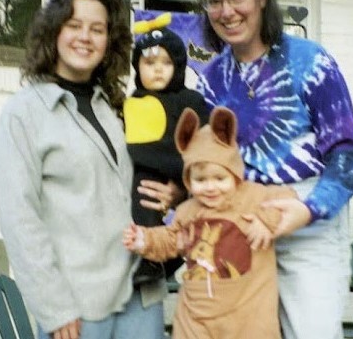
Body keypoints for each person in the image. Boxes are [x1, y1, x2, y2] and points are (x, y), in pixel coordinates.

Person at [191, 0, 353, 339]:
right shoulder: (212, 79)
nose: (227, 11)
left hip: (308, 224)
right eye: (215, 1)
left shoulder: (310, 60)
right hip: (241, 227)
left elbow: (350, 154)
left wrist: (307, 210)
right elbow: (207, 161)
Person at [0, 0, 165, 339]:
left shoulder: (119, 107)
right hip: (78, 307)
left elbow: (148, 174)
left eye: (97, 29)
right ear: (54, 31)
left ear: (109, 41)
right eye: (74, 25)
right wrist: (52, 307)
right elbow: (19, 219)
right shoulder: (25, 113)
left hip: (141, 297)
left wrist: (173, 194)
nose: (85, 37)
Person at [123, 106, 297, 339]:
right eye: (200, 180)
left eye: (219, 178)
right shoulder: (188, 211)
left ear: (234, 172)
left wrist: (266, 222)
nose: (210, 187)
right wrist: (144, 239)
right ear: (188, 180)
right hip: (197, 315)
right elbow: (171, 239)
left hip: (246, 315)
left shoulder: (252, 197)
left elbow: (287, 197)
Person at [123, 22, 209, 285]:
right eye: (149, 63)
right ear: (137, 67)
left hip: (186, 174)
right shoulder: (132, 103)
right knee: (141, 195)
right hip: (145, 173)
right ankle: (154, 259)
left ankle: (162, 257)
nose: (158, 68)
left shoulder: (191, 101)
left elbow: (205, 144)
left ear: (179, 66)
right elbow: (129, 144)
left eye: (166, 62)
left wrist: (185, 178)